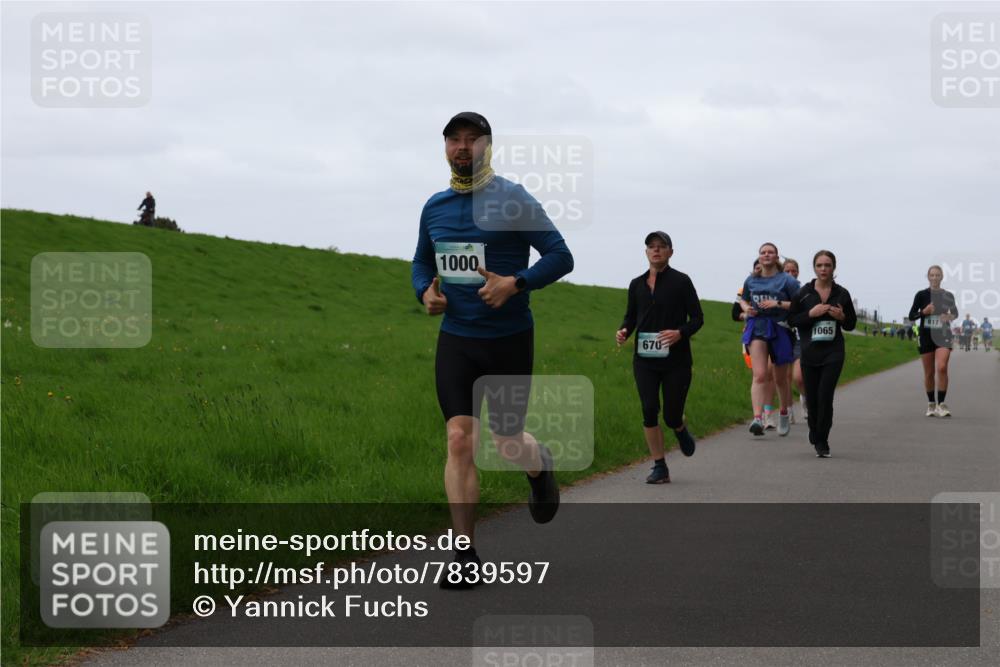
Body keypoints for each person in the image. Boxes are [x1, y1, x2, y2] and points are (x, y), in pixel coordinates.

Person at [412, 112, 574, 588]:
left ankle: (537, 463)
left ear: (488, 146)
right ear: (445, 148)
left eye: (472, 140)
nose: (463, 148)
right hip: (457, 339)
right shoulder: (435, 206)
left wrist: (516, 283)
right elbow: (422, 261)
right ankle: (464, 555)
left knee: (506, 441)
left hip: (507, 339)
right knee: (460, 439)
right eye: (454, 140)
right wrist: (425, 291)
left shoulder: (513, 198)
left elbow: (561, 255)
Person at [616, 232, 704, 484]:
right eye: (651, 247)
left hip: (676, 360)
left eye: (661, 247)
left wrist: (680, 333)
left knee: (671, 414)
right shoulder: (636, 284)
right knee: (649, 409)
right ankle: (659, 466)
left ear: (670, 252)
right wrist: (623, 331)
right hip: (644, 359)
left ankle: (679, 427)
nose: (656, 251)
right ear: (646, 252)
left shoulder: (681, 281)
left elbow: (698, 318)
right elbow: (631, 316)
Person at [789, 250, 857, 458]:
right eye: (819, 265)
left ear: (834, 268)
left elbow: (851, 324)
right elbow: (792, 320)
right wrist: (811, 313)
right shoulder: (804, 293)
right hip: (810, 352)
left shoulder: (842, 294)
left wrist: (842, 316)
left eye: (827, 265)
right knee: (813, 397)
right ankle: (814, 428)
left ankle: (822, 440)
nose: (823, 269)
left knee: (825, 396)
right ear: (814, 268)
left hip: (833, 352)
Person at [739, 242, 801, 436]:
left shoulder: (787, 281)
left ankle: (783, 412)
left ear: (776, 257)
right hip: (757, 327)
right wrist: (745, 308)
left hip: (780, 329)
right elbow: (743, 299)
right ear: (759, 257)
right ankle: (758, 418)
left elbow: (801, 304)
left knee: (780, 378)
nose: (766, 255)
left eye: (770, 252)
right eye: (763, 252)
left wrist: (778, 303)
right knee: (759, 375)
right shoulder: (751, 280)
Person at [908, 265, 958, 418]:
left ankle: (941, 404)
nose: (935, 278)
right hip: (925, 336)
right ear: (928, 277)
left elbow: (955, 314)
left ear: (942, 277)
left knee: (942, 367)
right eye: (932, 275)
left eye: (938, 275)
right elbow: (911, 316)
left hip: (943, 335)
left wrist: (947, 317)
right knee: (929, 373)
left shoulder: (948, 295)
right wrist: (924, 312)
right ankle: (931, 404)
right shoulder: (921, 295)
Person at [782, 258, 807, 422]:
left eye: (794, 270)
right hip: (782, 335)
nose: (791, 273)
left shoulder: (803, 290)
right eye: (787, 271)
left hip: (798, 337)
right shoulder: (776, 289)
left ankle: (806, 399)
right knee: (784, 378)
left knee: (799, 377)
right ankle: (788, 410)